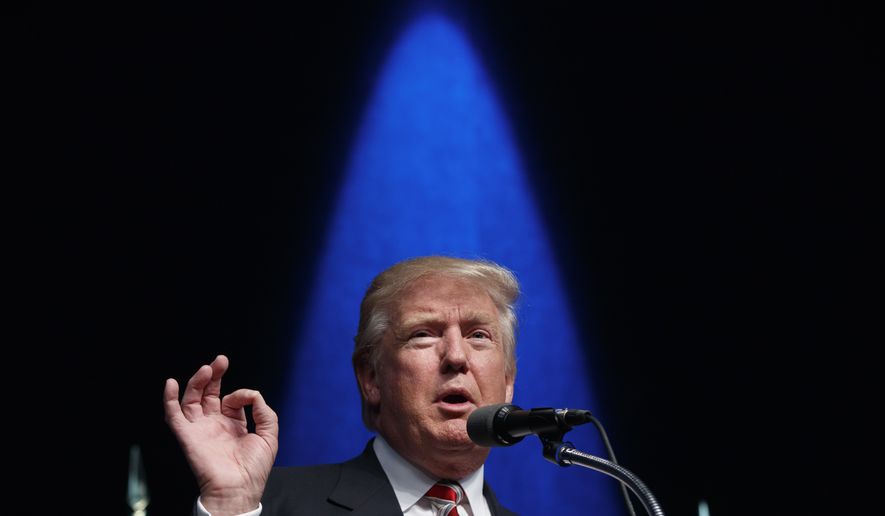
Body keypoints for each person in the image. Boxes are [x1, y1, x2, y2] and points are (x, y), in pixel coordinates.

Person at [164, 256, 520, 515]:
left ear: (507, 381)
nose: (456, 356)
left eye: (478, 335)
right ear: (370, 378)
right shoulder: (267, 504)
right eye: (423, 334)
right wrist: (230, 505)